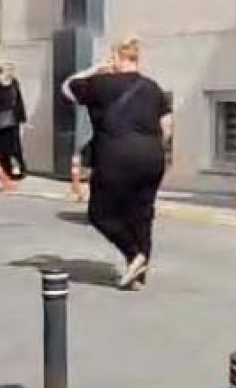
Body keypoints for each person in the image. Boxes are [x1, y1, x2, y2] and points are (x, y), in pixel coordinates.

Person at [61, 37, 173, 289]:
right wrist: (156, 149)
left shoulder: (101, 85)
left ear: (116, 58)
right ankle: (138, 275)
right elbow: (167, 126)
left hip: (116, 157)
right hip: (152, 157)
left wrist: (95, 69)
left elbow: (67, 88)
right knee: (142, 214)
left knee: (100, 214)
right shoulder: (153, 87)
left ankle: (134, 255)